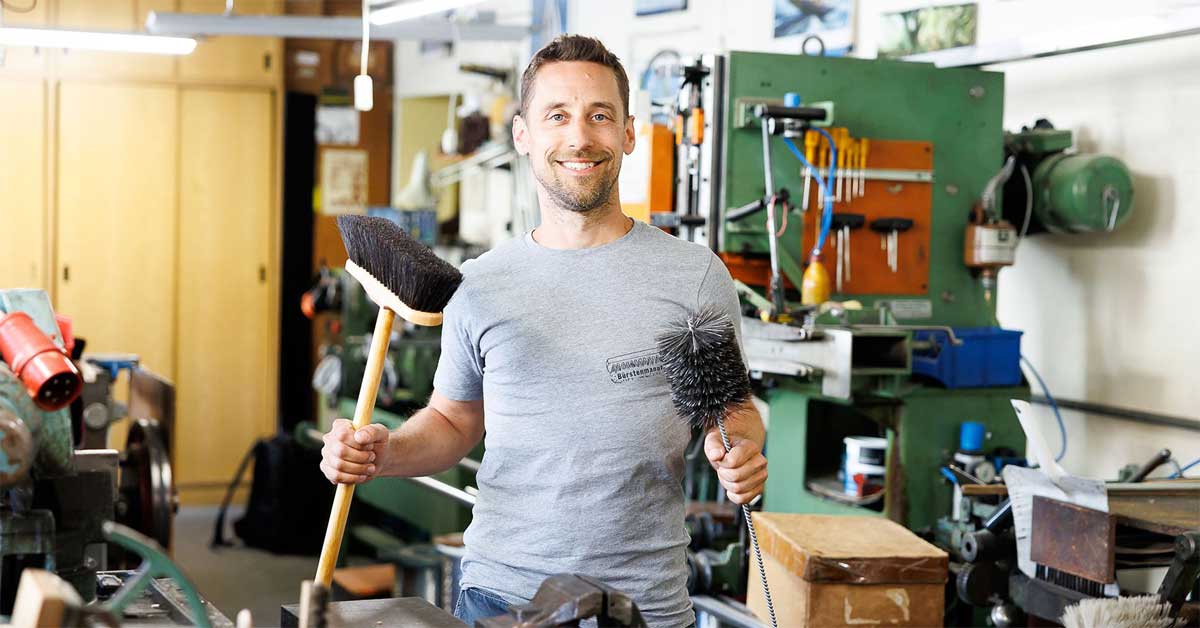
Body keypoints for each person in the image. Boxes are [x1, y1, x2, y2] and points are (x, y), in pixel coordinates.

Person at [320, 34, 767, 628]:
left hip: (646, 607)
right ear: (524, 136)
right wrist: (384, 451)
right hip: (505, 599)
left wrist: (743, 452)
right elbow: (454, 422)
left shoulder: (694, 275)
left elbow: (733, 413)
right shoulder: (479, 283)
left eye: (599, 116)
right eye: (557, 116)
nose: (579, 137)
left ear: (629, 133)